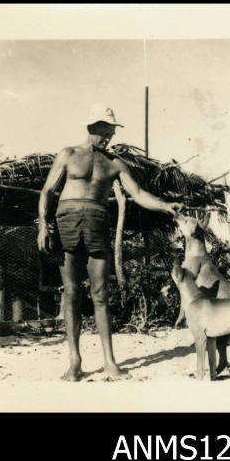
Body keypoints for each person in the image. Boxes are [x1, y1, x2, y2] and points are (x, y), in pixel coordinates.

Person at [38, 103, 183, 381]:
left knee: (101, 293)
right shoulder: (68, 154)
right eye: (104, 131)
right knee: (70, 292)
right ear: (91, 127)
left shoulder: (115, 163)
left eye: (111, 132)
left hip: (97, 222)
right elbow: (47, 191)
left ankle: (110, 362)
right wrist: (43, 225)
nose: (107, 137)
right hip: (67, 222)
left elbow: (138, 193)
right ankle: (75, 361)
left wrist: (167, 206)